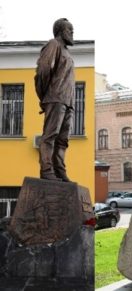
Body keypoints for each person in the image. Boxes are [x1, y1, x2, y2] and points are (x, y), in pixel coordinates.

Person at [34, 18, 75, 182]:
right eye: (70, 30)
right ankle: (47, 170)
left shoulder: (67, 52)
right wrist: (45, 96)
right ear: (60, 31)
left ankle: (60, 171)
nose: (72, 33)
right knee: (50, 136)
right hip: (55, 98)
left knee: (63, 141)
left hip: (68, 102)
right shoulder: (53, 45)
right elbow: (43, 71)